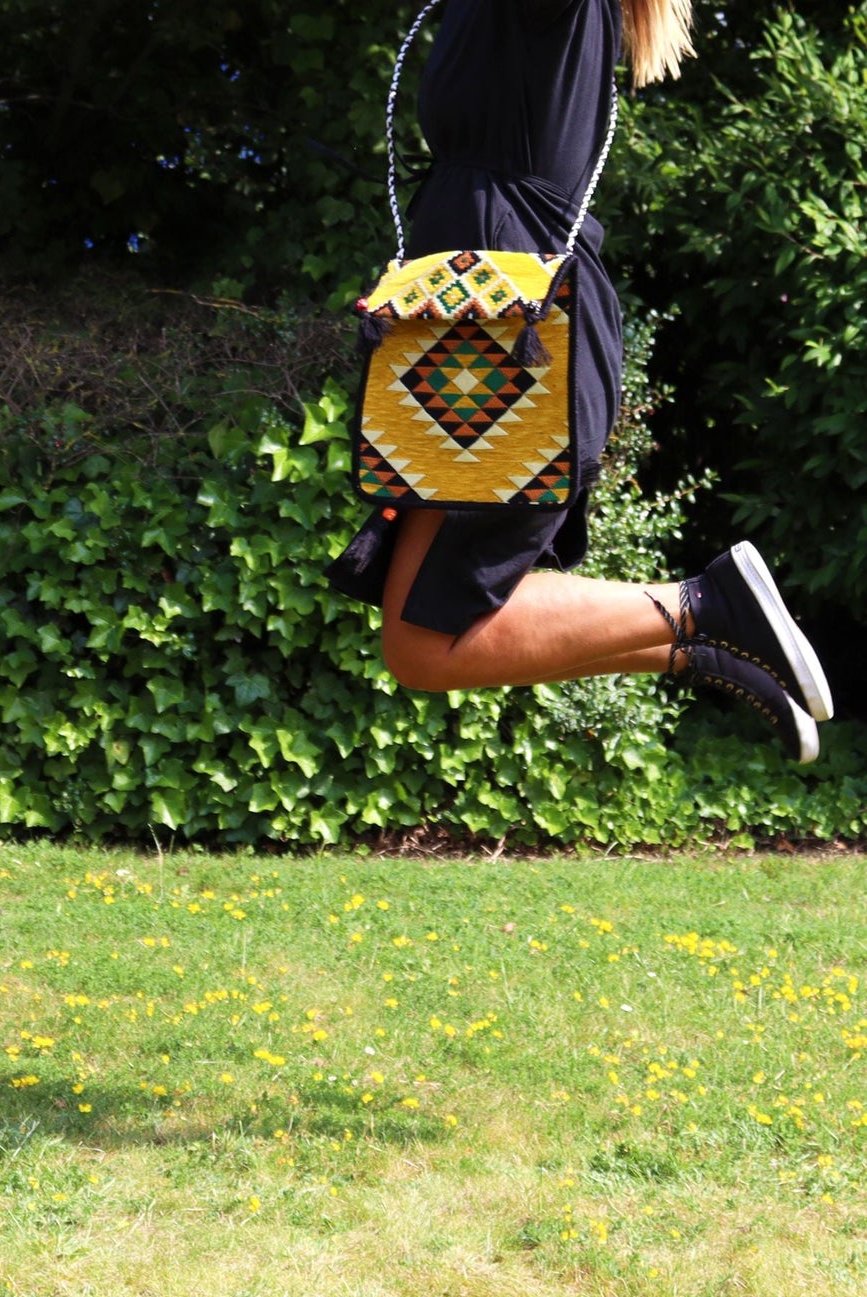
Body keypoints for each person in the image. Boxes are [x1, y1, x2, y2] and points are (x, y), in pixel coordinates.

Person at [326, 0, 834, 762]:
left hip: (499, 344)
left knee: (431, 642)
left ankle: (705, 607)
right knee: (413, 644)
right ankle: (701, 642)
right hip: (460, 335)